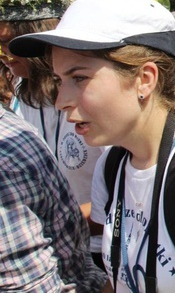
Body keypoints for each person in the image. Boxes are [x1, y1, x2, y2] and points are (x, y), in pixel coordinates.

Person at [10, 0, 175, 292]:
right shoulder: (114, 164)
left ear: (145, 79)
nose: (62, 100)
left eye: (79, 78)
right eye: (59, 81)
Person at [0, 0, 106, 266]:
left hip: (99, 252)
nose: (3, 55)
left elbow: (124, 197)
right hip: (46, 250)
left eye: (7, 43)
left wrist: (44, 226)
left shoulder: (92, 98)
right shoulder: (21, 90)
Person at [1, 104, 107, 291]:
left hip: (100, 254)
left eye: (79, 78)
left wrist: (66, 216)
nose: (62, 100)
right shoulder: (25, 103)